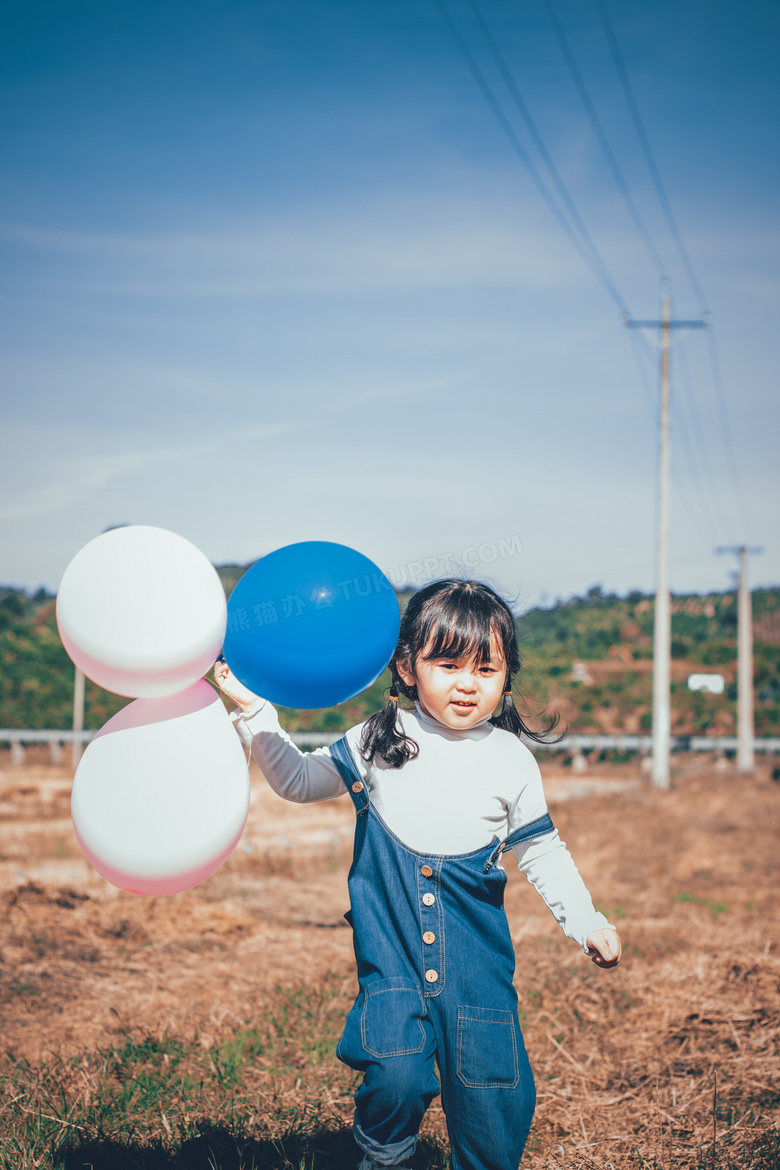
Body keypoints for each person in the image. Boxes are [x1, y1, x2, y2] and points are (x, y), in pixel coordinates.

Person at [213, 578, 621, 1170]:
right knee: (395, 1076)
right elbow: (298, 782)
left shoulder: (512, 761)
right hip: (393, 961)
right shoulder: (379, 741)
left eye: (487, 668)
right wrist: (253, 711)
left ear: (507, 676)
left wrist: (586, 921)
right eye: (448, 663)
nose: (467, 683)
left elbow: (542, 852)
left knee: (494, 1102)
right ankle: (384, 1158)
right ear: (407, 668)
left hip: (477, 973)